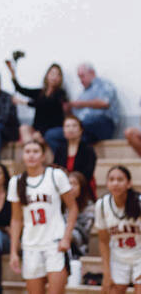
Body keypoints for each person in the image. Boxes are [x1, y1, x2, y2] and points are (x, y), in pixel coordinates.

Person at [8, 141, 78, 294]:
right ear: (23, 155)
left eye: (35, 151)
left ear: (43, 156)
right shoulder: (16, 182)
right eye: (27, 151)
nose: (31, 155)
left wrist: (66, 237)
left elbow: (73, 208)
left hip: (55, 243)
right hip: (30, 244)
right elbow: (16, 219)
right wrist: (13, 250)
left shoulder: (56, 175)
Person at [45, 63, 120, 148]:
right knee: (51, 135)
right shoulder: (83, 94)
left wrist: (80, 104)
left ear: (92, 73)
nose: (80, 80)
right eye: (79, 77)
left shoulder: (103, 84)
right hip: (84, 129)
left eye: (82, 76)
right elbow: (75, 117)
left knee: (81, 125)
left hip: (102, 124)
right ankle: (64, 158)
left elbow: (105, 103)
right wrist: (68, 111)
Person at [95, 166, 141, 294]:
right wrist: (106, 272)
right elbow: (103, 241)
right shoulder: (102, 205)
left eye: (120, 179)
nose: (115, 183)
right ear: (107, 183)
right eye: (111, 179)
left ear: (129, 183)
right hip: (118, 257)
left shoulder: (139, 202)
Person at [6, 61, 67, 147]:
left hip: (50, 129)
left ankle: (34, 149)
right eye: (52, 73)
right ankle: (30, 150)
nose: (55, 77)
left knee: (37, 137)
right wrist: (12, 73)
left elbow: (45, 105)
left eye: (58, 74)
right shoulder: (40, 92)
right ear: (47, 75)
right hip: (37, 128)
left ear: (61, 78)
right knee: (24, 128)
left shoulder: (60, 93)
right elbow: (21, 89)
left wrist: (23, 102)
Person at [53, 116, 97, 198]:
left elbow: (88, 173)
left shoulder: (88, 149)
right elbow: (56, 168)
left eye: (74, 126)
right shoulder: (60, 149)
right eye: (67, 126)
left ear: (81, 130)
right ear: (63, 130)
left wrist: (73, 182)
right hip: (63, 187)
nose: (71, 129)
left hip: (84, 187)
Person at [66, 171, 94, 257]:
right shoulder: (59, 206)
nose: (71, 187)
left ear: (82, 187)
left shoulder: (89, 208)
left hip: (78, 248)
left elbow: (83, 233)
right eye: (68, 184)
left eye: (75, 184)